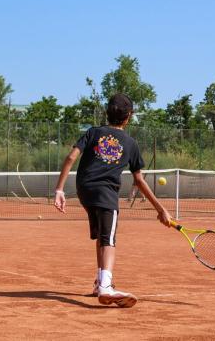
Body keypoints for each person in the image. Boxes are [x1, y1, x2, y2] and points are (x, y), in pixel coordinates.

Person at [53, 93, 172, 308]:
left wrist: (59, 189)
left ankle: (100, 280)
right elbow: (139, 180)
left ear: (107, 114)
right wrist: (160, 209)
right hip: (105, 192)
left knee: (101, 235)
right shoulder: (131, 143)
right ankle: (106, 287)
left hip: (84, 190)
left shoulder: (93, 132)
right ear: (129, 117)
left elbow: (71, 158)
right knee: (109, 240)